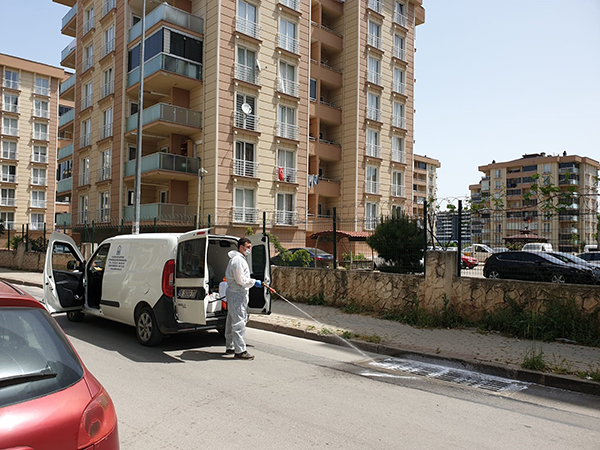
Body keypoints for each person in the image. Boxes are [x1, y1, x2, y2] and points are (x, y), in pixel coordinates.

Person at [224, 237, 262, 360]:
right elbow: (240, 280)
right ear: (241, 247)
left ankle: (230, 346)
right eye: (248, 247)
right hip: (237, 293)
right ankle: (240, 350)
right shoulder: (238, 261)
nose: (249, 249)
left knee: (231, 320)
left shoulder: (238, 259)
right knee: (239, 321)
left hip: (235, 292)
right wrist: (254, 282)